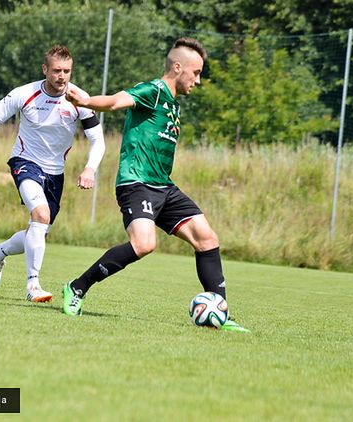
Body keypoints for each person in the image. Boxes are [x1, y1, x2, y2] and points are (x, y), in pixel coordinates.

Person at [63, 37, 248, 331]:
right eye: (196, 72)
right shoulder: (154, 91)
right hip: (136, 183)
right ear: (178, 67)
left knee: (207, 238)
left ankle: (219, 313)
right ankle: (76, 287)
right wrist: (86, 102)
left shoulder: (174, 104)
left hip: (163, 186)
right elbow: (115, 101)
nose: (198, 81)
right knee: (144, 244)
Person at [0, 45, 105, 303]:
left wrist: (90, 168)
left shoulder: (80, 99)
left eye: (66, 71)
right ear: (45, 69)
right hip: (25, 162)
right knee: (40, 215)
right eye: (56, 71)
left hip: (56, 173)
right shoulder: (25, 94)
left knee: (39, 230)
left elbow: (97, 139)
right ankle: (33, 285)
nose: (61, 76)